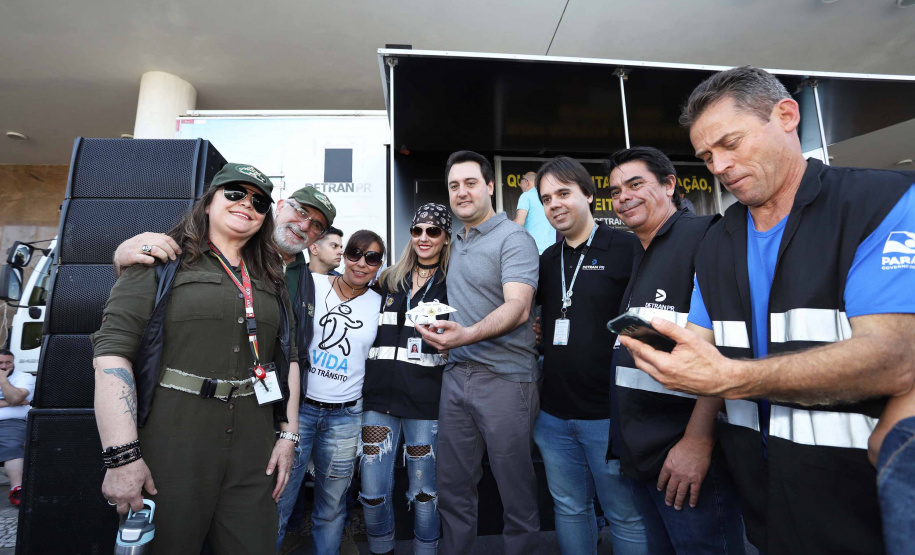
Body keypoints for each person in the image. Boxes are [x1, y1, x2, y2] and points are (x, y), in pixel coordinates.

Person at [619, 66, 915, 554]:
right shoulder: (717, 240)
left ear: (786, 115)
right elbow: (707, 349)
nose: (718, 166)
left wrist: (728, 378)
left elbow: (894, 357)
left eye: (731, 143)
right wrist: (692, 413)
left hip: (865, 498)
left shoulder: (879, 204)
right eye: (707, 156)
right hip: (759, 499)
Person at [112, 186, 352, 552]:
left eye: (316, 225)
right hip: (178, 431)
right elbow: (116, 347)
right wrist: (123, 252)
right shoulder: (181, 253)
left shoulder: (301, 276)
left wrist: (288, 436)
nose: (304, 225)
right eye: (300, 212)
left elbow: (288, 356)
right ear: (281, 206)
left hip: (254, 432)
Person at [94, 163, 301, 555]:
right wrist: (122, 458)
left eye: (259, 201)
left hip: (254, 442)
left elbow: (287, 358)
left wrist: (288, 436)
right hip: (174, 438)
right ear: (208, 202)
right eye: (235, 193)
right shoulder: (159, 260)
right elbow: (111, 357)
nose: (248, 205)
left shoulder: (271, 276)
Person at [606, 146, 745, 554]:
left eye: (635, 184)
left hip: (686, 455)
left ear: (669, 185)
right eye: (614, 191)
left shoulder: (705, 236)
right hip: (642, 455)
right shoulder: (639, 248)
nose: (623, 197)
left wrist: (698, 441)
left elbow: (725, 348)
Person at [415, 151, 540, 555]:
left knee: (515, 494)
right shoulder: (457, 243)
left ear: (490, 186)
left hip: (505, 380)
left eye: (470, 182)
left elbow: (518, 308)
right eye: (454, 185)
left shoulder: (514, 238)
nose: (461, 192)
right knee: (453, 489)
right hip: (456, 378)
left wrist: (465, 334)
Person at [531, 156, 647, 555]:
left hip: (608, 415)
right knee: (569, 508)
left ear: (589, 195)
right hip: (553, 417)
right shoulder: (547, 260)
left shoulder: (627, 247)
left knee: (626, 516)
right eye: (546, 199)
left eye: (564, 193)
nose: (554, 205)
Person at [276, 230, 384, 555]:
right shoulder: (313, 284)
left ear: (380, 265)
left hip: (346, 417)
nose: (361, 263)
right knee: (279, 500)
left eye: (372, 257)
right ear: (344, 255)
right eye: (354, 253)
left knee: (332, 507)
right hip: (300, 411)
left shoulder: (380, 304)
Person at [361, 203, 453, 555]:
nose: (424, 237)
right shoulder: (387, 280)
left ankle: (425, 550)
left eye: (433, 231)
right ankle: (382, 549)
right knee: (371, 492)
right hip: (378, 403)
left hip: (425, 405)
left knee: (424, 493)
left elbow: (465, 336)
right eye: (418, 230)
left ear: (445, 238)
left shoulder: (453, 283)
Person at [0, 349, 34, 506]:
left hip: (12, 422)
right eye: (0, 363)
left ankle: (17, 487)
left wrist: (2, 379)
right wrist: (11, 403)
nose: (4, 366)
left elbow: (15, 396)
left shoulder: (24, 377)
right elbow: (14, 400)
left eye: (8, 362)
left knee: (13, 445)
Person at [513, 171, 556, 254]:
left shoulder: (526, 196)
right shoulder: (546, 197)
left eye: (520, 182)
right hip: (551, 252)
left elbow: (519, 223)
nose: (520, 186)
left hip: (533, 252)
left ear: (526, 182)